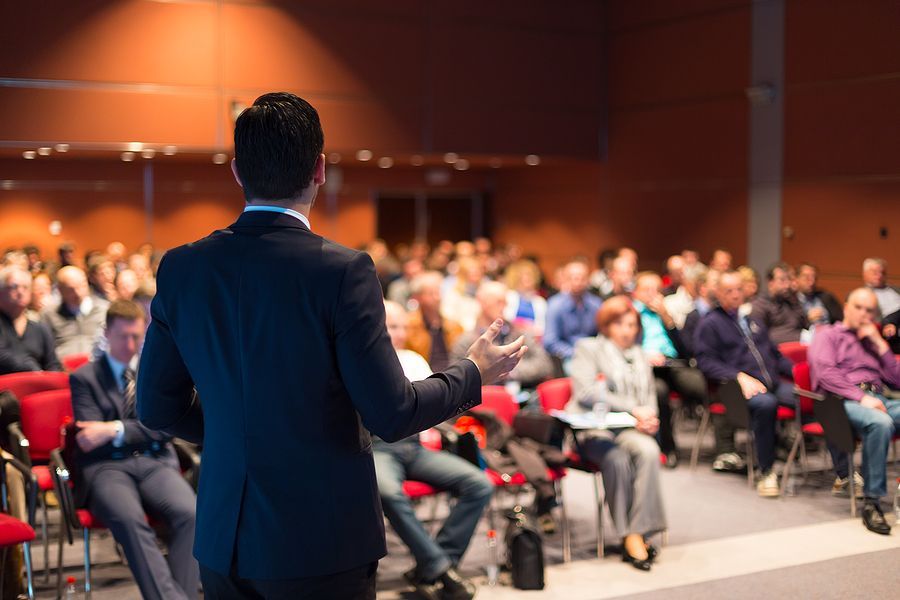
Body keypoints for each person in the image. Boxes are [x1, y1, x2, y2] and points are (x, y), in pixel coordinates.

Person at [136, 92, 524, 600]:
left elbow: (156, 406)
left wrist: (243, 430)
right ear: (319, 169)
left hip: (223, 537)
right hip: (321, 539)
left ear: (237, 172)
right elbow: (391, 413)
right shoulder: (341, 271)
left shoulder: (183, 267)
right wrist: (472, 372)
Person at [71, 300, 199, 599]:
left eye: (136, 337)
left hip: (154, 461)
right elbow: (88, 438)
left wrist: (113, 429)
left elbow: (164, 428)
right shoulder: (84, 377)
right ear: (106, 333)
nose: (130, 344)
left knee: (191, 515)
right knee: (130, 521)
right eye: (123, 336)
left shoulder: (154, 370)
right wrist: (139, 430)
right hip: (105, 468)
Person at [377, 301, 492, 600]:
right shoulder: (365, 362)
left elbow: (435, 408)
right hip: (379, 448)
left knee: (479, 483)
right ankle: (441, 570)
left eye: (402, 326)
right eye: (390, 325)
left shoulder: (413, 359)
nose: (398, 333)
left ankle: (435, 565)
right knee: (388, 492)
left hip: (413, 446)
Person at [569, 296, 667, 571]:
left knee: (648, 451)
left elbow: (649, 396)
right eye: (620, 324)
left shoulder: (639, 354)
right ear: (607, 325)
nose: (628, 330)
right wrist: (634, 408)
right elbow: (586, 392)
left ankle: (637, 531)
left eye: (632, 325)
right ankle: (629, 535)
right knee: (617, 460)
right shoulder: (588, 348)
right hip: (593, 429)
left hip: (627, 428)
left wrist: (649, 417)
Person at [808, 288, 900, 535]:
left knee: (881, 416)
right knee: (880, 423)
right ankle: (872, 503)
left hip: (877, 397)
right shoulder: (827, 334)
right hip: (840, 401)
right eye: (859, 307)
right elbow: (826, 374)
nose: (864, 314)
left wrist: (880, 344)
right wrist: (861, 397)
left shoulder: (871, 340)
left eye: (870, 310)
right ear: (846, 307)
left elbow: (897, 381)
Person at [694, 271, 795, 497]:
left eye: (739, 289)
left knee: (813, 399)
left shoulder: (753, 320)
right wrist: (737, 376)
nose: (736, 295)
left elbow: (774, 355)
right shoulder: (710, 324)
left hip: (772, 382)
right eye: (729, 291)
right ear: (718, 293)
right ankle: (766, 471)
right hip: (735, 390)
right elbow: (705, 362)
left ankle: (842, 473)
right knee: (766, 405)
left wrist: (798, 372)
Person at [631, 272, 706, 467]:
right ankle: (667, 447)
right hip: (644, 369)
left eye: (656, 290)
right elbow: (627, 346)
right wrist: (645, 356)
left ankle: (726, 447)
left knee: (700, 386)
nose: (652, 295)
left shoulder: (666, 313)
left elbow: (685, 350)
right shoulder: (631, 314)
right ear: (635, 293)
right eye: (646, 290)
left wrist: (668, 319)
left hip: (672, 365)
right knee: (659, 392)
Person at [453, 281, 554, 390]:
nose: (504, 307)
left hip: (525, 395)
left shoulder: (520, 332)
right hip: (485, 400)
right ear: (481, 302)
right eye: (498, 302)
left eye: (505, 302)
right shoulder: (466, 340)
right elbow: (458, 378)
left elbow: (545, 365)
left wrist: (510, 371)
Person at [0, 266, 61, 375]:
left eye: (25, 287)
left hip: (39, 387)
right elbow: (3, 356)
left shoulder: (41, 329)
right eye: (14, 287)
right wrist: (34, 371)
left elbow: (53, 365)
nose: (20, 292)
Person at [543, 260, 603, 370]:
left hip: (593, 354)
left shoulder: (597, 304)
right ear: (565, 280)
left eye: (582, 278)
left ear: (588, 279)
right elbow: (550, 341)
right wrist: (575, 353)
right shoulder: (555, 305)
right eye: (573, 278)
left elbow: (603, 334)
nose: (578, 282)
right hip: (567, 357)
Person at [41, 265, 108, 358]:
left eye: (81, 286)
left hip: (96, 367)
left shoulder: (104, 309)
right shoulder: (49, 314)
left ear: (86, 284)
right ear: (60, 290)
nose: (78, 293)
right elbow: (45, 350)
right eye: (71, 290)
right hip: (63, 367)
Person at [406, 271, 465, 372]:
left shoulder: (455, 326)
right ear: (418, 297)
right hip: (424, 377)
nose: (437, 298)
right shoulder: (408, 326)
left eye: (438, 292)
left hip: (452, 376)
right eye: (431, 294)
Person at [750, 262, 807, 345]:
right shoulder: (759, 305)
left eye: (789, 280)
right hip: (776, 352)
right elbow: (760, 338)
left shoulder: (791, 301)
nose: (787, 285)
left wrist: (794, 296)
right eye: (782, 280)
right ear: (770, 283)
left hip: (799, 348)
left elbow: (804, 324)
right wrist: (800, 337)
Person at [503, 259, 548, 338]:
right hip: (511, 336)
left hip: (534, 338)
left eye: (530, 275)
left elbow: (543, 327)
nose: (527, 278)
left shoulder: (540, 301)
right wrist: (521, 324)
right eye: (524, 275)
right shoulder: (508, 296)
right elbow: (505, 318)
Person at [795, 262, 842, 327]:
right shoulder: (790, 301)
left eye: (814, 278)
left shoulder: (826, 297)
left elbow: (840, 320)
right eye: (807, 278)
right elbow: (788, 328)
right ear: (796, 279)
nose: (812, 282)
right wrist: (807, 319)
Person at [862, 257, 900, 321]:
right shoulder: (861, 295)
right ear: (865, 274)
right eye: (875, 272)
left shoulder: (897, 289)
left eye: (882, 272)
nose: (880, 276)